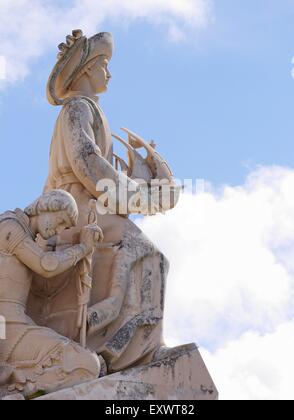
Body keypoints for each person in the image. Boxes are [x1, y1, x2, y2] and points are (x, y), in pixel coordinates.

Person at [29, 30, 173, 373]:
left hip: (93, 205)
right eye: (104, 65)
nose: (108, 73)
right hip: (77, 210)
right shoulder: (78, 107)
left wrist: (139, 183)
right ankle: (126, 346)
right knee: (147, 252)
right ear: (88, 70)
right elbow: (88, 163)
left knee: (151, 255)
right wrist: (139, 195)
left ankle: (137, 342)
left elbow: (100, 166)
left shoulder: (91, 110)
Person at [0, 190, 104, 397]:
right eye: (61, 222)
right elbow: (46, 265)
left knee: (88, 365)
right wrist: (83, 248)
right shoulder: (9, 226)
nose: (58, 231)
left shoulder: (29, 239)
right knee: (84, 364)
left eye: (64, 227)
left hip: (17, 324)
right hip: (5, 326)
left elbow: (44, 285)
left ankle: (20, 389)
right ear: (48, 205)